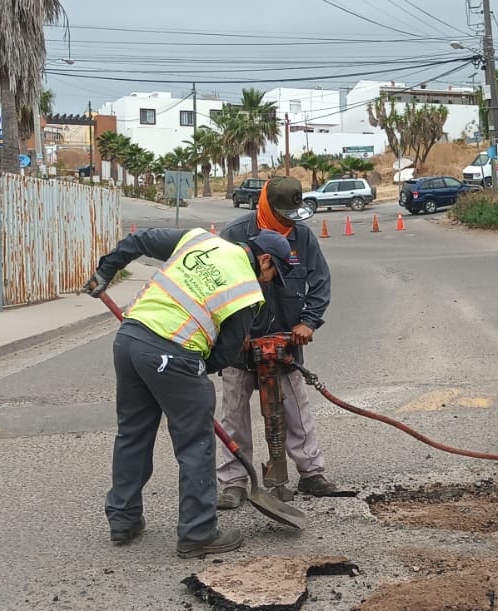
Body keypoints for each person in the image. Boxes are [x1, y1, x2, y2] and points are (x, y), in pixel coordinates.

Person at [82, 225, 296, 558]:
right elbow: (225, 353)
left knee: (133, 434)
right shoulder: (247, 292)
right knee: (196, 443)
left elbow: (139, 240)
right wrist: (194, 372)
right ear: (264, 259)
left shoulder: (200, 239)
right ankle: (197, 533)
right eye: (273, 273)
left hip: (130, 338)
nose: (270, 281)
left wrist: (105, 271)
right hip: (173, 352)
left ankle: (123, 520)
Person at [214, 176, 339, 510]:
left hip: (285, 345)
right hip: (240, 345)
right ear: (265, 203)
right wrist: (230, 334)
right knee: (234, 416)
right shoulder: (235, 235)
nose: (287, 220)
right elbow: (217, 289)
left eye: (291, 214)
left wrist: (308, 322)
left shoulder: (303, 237)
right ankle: (233, 482)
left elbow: (320, 283)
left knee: (297, 411)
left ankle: (311, 473)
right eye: (281, 213)